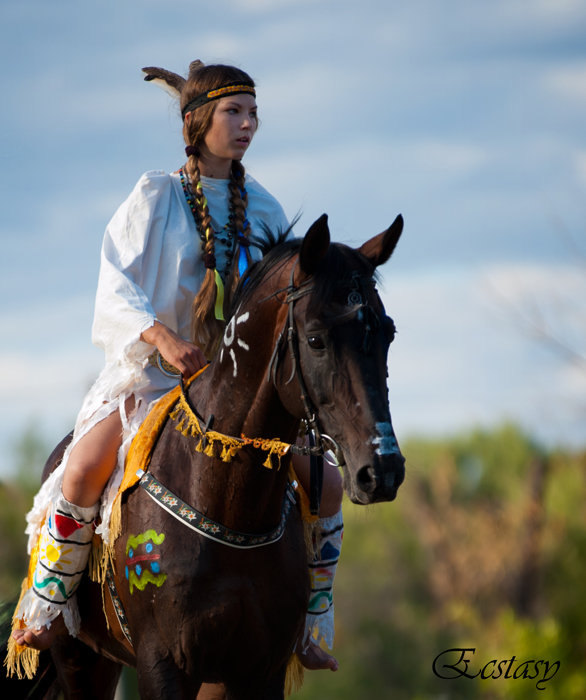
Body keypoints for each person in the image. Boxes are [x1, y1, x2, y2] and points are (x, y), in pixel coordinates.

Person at [10, 60, 343, 674]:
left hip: (239, 389)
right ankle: (47, 605)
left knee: (327, 482)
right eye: (233, 112)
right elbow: (115, 286)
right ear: (197, 122)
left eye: (253, 114)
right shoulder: (153, 196)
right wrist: (163, 338)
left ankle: (313, 619)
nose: (248, 124)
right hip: (156, 378)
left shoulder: (265, 210)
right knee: (82, 469)